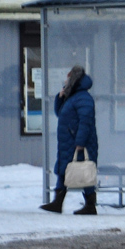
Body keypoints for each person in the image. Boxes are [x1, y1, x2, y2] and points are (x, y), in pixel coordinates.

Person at [41, 65, 98, 215]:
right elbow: (60, 113)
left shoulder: (84, 98)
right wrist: (60, 98)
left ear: (74, 80)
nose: (65, 80)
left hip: (78, 143)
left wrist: (80, 142)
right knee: (64, 170)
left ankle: (90, 205)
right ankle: (57, 202)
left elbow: (86, 121)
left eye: (68, 78)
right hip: (68, 142)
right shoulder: (73, 97)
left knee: (84, 172)